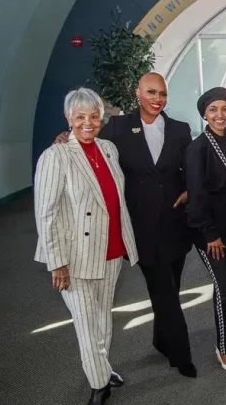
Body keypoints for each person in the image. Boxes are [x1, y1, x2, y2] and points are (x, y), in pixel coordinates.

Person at [57, 73, 197, 376]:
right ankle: (181, 356)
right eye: (150, 92)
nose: (157, 99)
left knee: (171, 285)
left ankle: (162, 340)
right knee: (165, 292)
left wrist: (189, 189)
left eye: (161, 93)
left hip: (175, 225)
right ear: (138, 93)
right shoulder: (119, 128)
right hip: (141, 227)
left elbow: (190, 166)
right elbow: (86, 137)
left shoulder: (180, 130)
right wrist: (62, 138)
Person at [34, 88, 139, 405]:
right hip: (75, 257)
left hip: (111, 249)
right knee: (85, 322)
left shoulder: (108, 149)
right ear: (68, 118)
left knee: (103, 317)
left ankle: (103, 369)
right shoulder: (56, 155)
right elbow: (46, 213)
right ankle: (98, 383)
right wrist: (57, 263)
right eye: (80, 117)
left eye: (94, 116)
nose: (88, 123)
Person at [185, 88, 226, 374]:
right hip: (210, 229)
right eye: (213, 110)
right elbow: (196, 195)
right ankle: (223, 349)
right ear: (204, 114)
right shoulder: (197, 148)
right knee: (224, 288)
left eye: (225, 108)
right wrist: (210, 234)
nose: (220, 115)